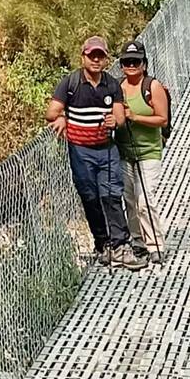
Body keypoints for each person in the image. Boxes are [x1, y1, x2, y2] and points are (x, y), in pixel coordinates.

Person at [45, 36, 147, 271]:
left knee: (111, 196)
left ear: (106, 59)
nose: (96, 60)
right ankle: (103, 245)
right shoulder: (70, 83)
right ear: (83, 57)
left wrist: (115, 120)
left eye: (100, 56)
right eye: (92, 55)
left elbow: (120, 117)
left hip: (106, 150)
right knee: (90, 198)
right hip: (81, 152)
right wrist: (61, 117)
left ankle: (120, 246)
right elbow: (51, 111)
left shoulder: (112, 84)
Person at [116, 40, 167, 264]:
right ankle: (137, 242)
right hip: (124, 152)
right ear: (121, 65)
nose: (131, 66)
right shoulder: (117, 88)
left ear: (144, 64)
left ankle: (156, 244)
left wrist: (135, 117)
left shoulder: (152, 87)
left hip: (149, 152)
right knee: (129, 199)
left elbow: (162, 119)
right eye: (127, 62)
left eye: (136, 61)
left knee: (144, 200)